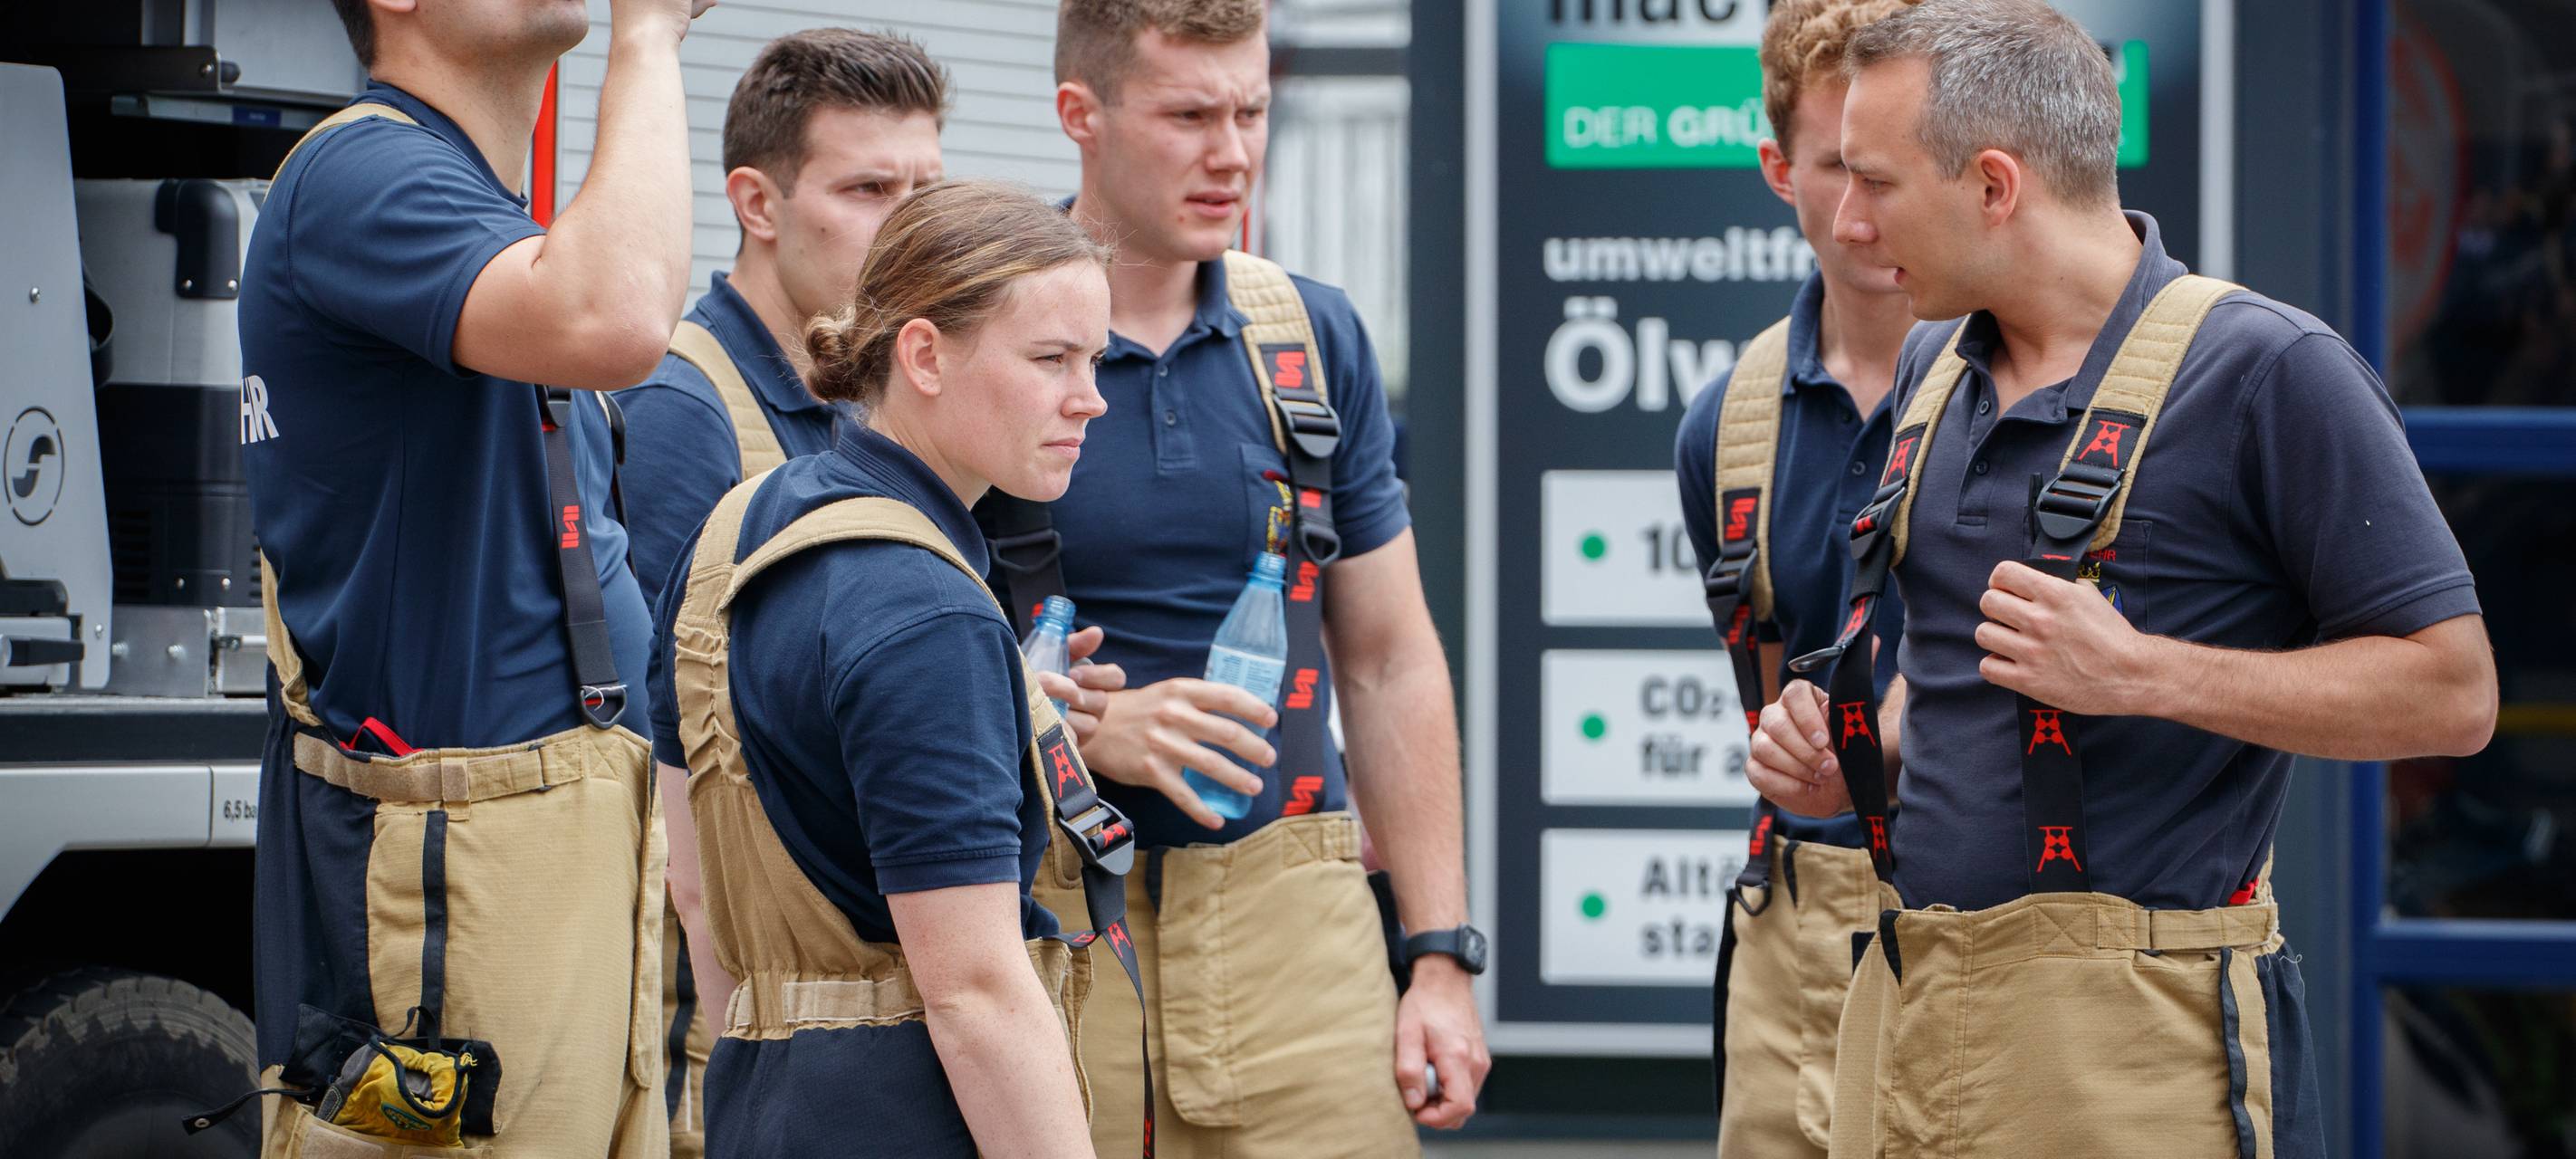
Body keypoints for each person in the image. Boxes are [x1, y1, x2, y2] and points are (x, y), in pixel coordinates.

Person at [1746, 2, 2499, 1155]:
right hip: (1903, 1007)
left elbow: (2454, 694)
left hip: (2135, 1055)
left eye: (1877, 182)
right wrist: (1861, 755)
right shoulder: (1930, 366)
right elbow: (1956, 676)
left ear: (1994, 186)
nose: (1846, 221)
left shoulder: (2270, 370)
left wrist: (2144, 672)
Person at [987, 2, 1490, 1154]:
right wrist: (1076, 731)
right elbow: (895, 630)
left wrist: (1440, 957)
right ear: (1082, 115)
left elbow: (1389, 655)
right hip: (1045, 919)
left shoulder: (1310, 338)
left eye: (1253, 110)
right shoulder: (979, 330)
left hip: (1297, 928)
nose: (1233, 152)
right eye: (1189, 114)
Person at [233, 0, 712, 1154]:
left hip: (558, 852)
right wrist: (647, 34)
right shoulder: (361, 169)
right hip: (458, 875)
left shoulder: (482, 211)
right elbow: (618, 315)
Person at [646, 179, 1120, 1159]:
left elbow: (696, 888)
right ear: (924, 354)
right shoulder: (925, 611)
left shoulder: (734, 533)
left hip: (758, 1107)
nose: (1092, 396)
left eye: (1095, 359)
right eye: (1051, 359)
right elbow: (978, 992)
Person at [591, 29, 947, 1154]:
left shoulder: (877, 404)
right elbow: (657, 775)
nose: (909, 224)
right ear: (757, 201)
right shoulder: (687, 411)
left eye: (926, 188)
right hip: (736, 1012)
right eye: (867, 188)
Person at [1670, 3, 1910, 1155]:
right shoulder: (1728, 425)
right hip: (1796, 921)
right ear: (1778, 170)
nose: (1869, 213)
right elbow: (1763, 699)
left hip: (2007, 919)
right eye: (1839, 169)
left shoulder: (2038, 386)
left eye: (1895, 171)